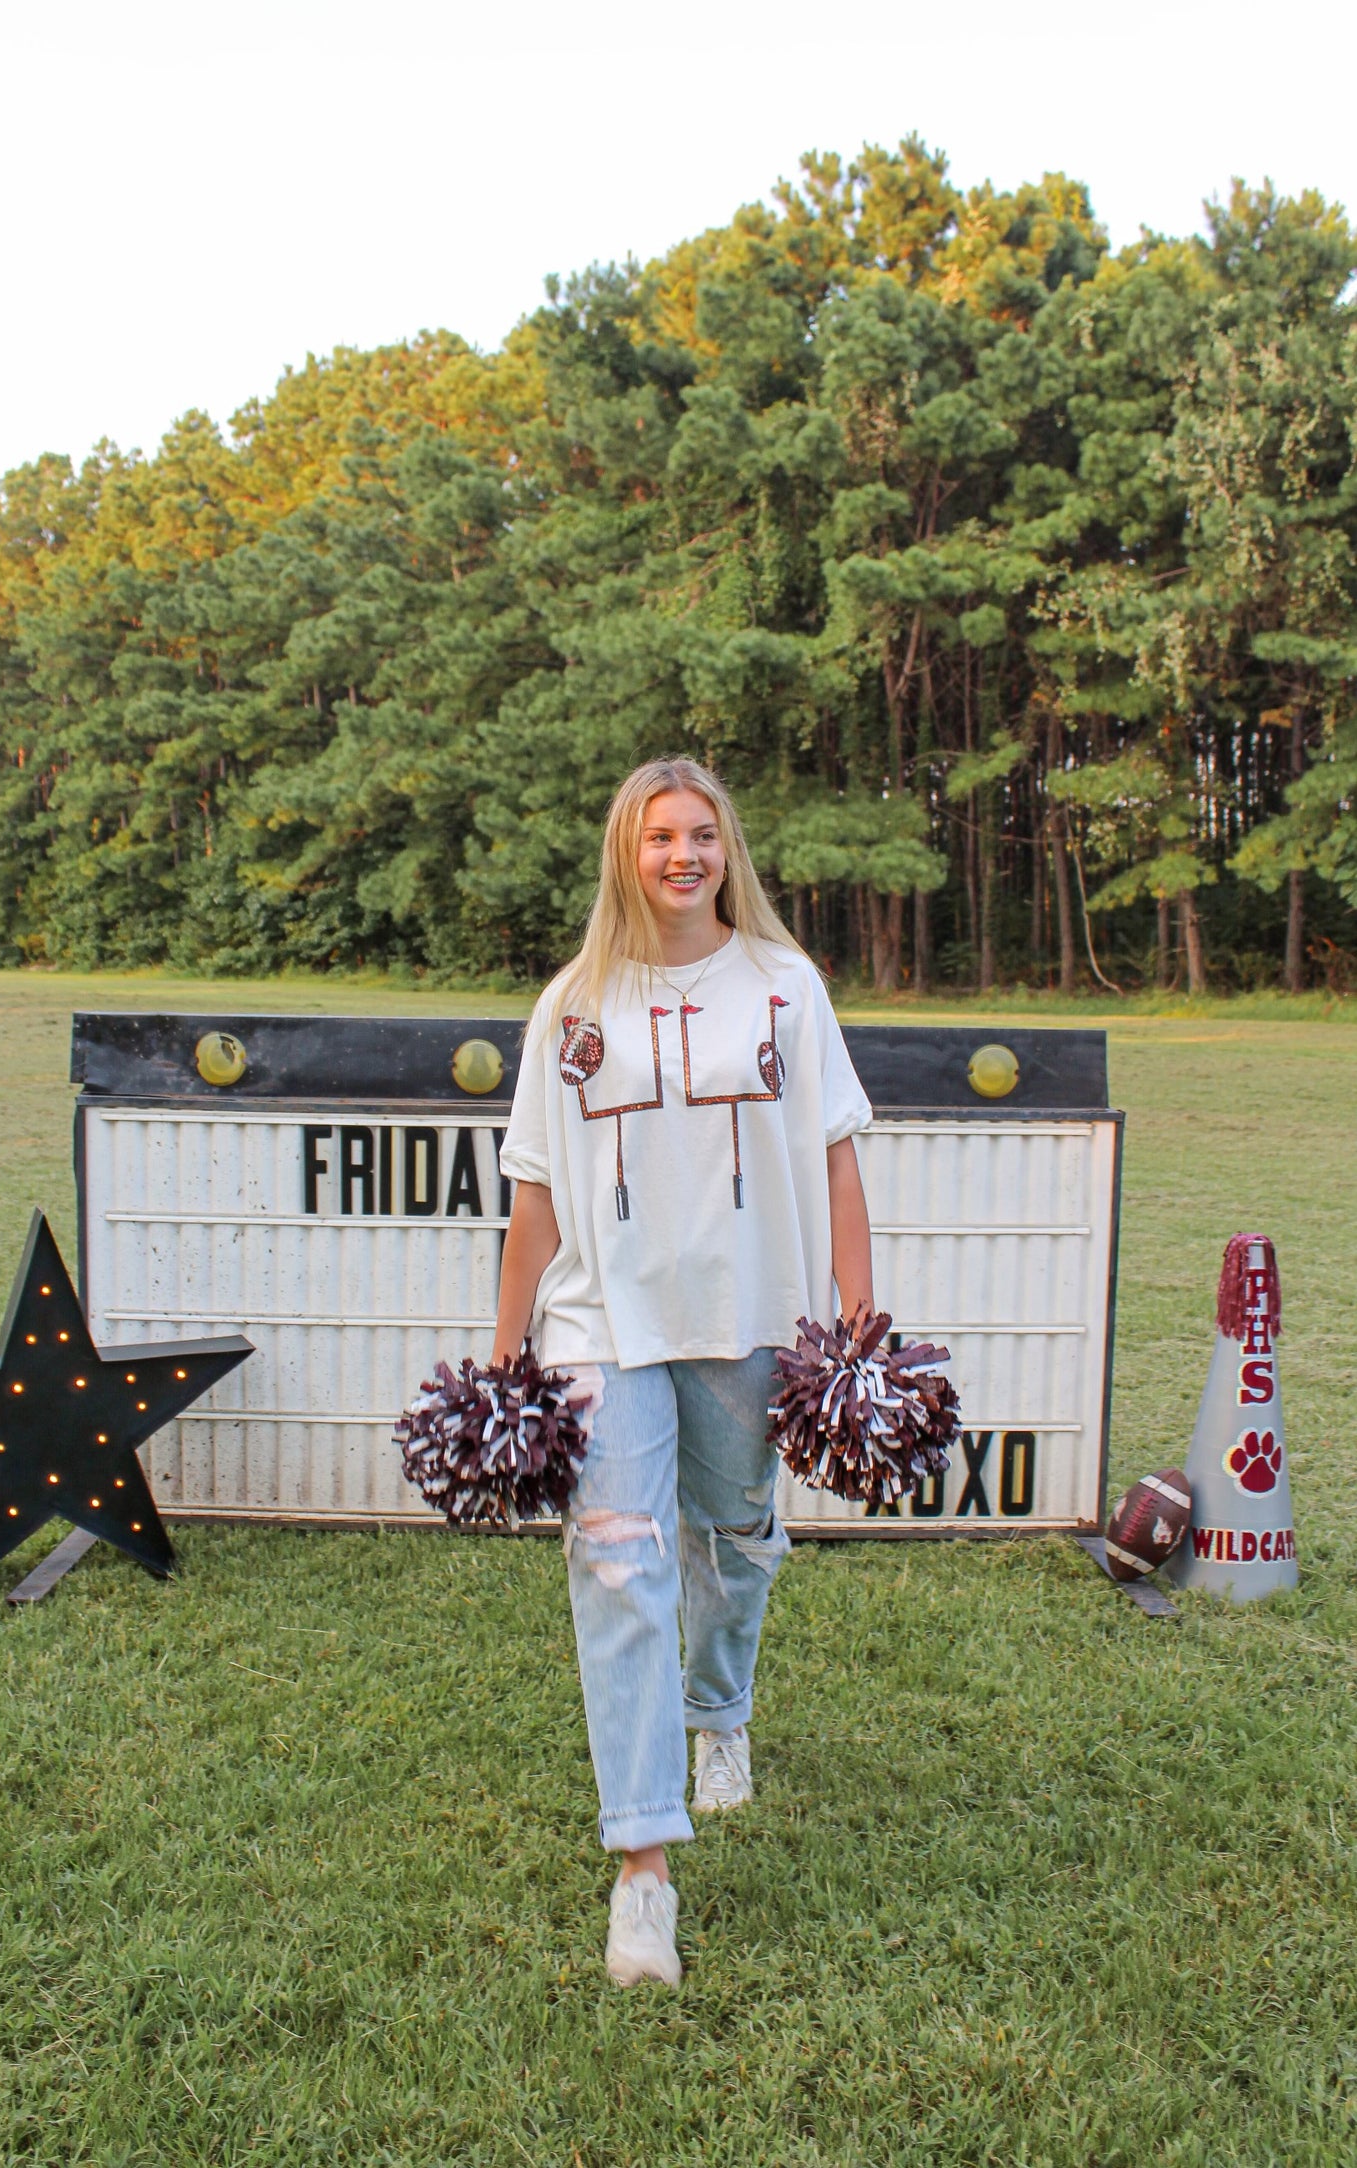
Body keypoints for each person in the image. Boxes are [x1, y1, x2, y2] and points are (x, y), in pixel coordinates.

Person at [494, 757, 874, 1987]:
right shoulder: (572, 1000)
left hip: (745, 1311)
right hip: (602, 1321)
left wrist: (857, 1329)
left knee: (734, 1531)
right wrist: (505, 1361)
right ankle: (642, 1866)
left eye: (700, 834)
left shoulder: (783, 985)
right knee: (618, 1560)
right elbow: (536, 1194)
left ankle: (720, 1711)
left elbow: (832, 1162)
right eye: (658, 835)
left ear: (727, 850)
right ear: (626, 850)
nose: (680, 855)